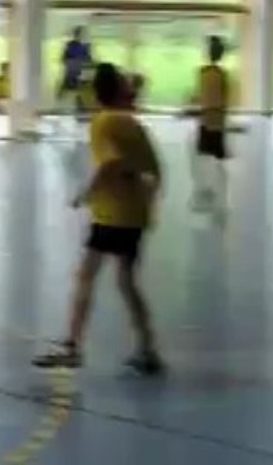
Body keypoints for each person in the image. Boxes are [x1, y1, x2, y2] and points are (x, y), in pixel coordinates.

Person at [33, 63, 164, 375]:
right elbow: (151, 169)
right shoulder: (130, 122)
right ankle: (147, 349)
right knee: (126, 281)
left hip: (114, 214)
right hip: (135, 213)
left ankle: (72, 347)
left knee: (86, 276)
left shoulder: (103, 123)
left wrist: (86, 194)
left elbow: (111, 163)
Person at [190, 36, 229, 215]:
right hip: (216, 119)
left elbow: (201, 95)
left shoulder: (204, 73)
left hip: (207, 118)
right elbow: (223, 97)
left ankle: (207, 189)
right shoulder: (220, 74)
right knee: (215, 155)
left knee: (204, 154)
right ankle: (213, 190)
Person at [58, 26, 93, 111]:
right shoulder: (71, 45)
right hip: (73, 72)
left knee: (81, 92)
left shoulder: (86, 46)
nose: (79, 36)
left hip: (80, 73)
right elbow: (64, 58)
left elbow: (88, 60)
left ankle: (81, 107)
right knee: (69, 91)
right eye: (78, 34)